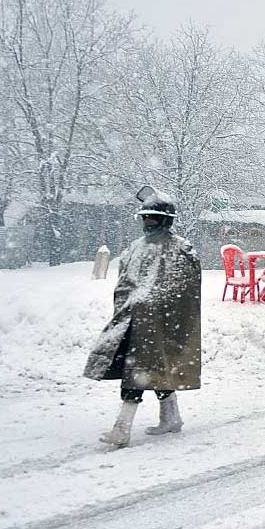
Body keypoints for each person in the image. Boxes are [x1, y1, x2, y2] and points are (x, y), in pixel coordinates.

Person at [84, 187, 202, 448]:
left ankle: (122, 429)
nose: (147, 222)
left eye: (153, 217)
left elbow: (184, 288)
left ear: (165, 219)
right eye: (145, 217)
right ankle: (171, 417)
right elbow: (124, 282)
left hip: (160, 323)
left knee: (137, 373)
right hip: (133, 321)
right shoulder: (135, 248)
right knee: (152, 370)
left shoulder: (180, 249)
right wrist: (127, 307)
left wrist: (152, 305)